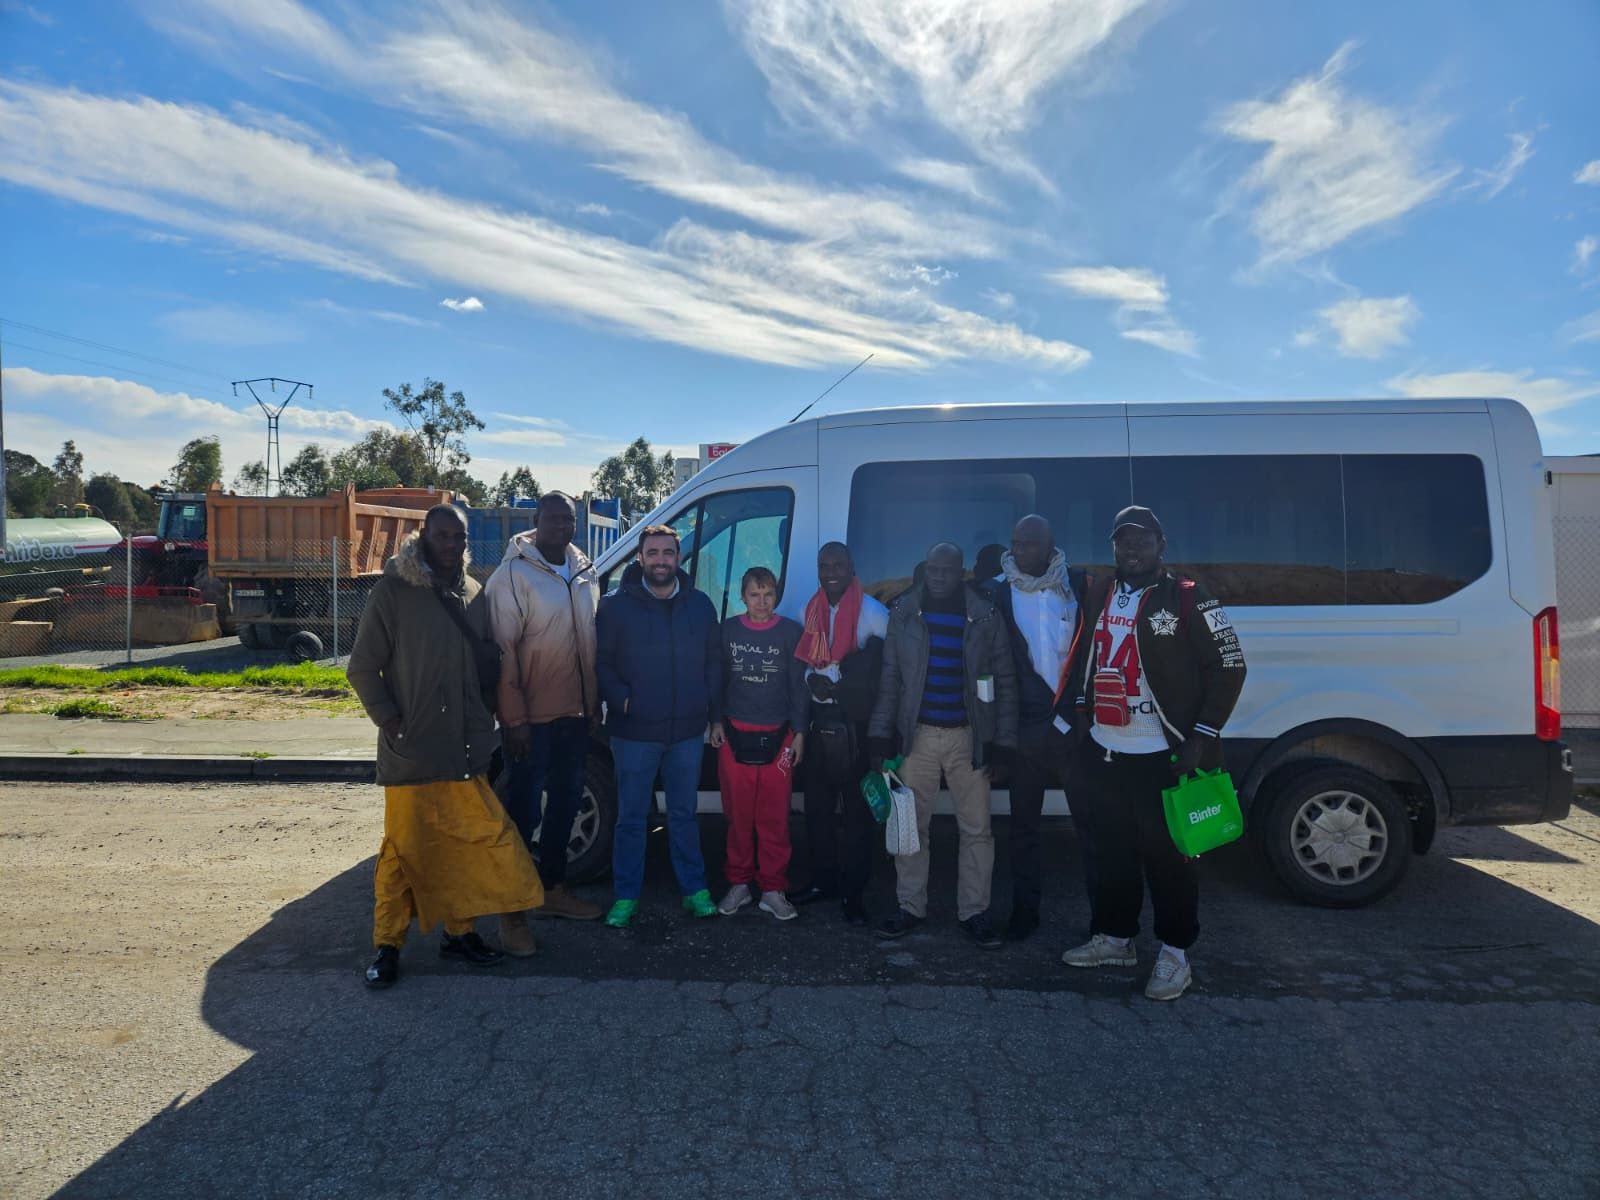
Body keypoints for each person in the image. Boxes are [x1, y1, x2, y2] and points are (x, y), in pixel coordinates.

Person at [347, 504, 544, 989]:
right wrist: (392, 722)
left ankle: (460, 934)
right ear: (424, 537)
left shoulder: (472, 594)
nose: (452, 545)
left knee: (471, 843)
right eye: (443, 536)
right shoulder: (394, 591)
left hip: (464, 752)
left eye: (459, 537)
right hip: (412, 752)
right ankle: (387, 945)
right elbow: (361, 669)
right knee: (402, 855)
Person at [1055, 506, 1247, 1001]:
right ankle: (1117, 938)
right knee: (1111, 856)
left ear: (1162, 545)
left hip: (1162, 754)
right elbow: (1084, 655)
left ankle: (1175, 954)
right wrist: (1081, 710)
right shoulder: (1098, 593)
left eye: (1142, 540)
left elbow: (1230, 665)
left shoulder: (1187, 598)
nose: (1131, 549)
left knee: (1170, 860)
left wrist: (1201, 737)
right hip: (1105, 751)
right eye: (1123, 541)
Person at [868, 541, 1018, 949]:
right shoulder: (905, 613)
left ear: (962, 572)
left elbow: (1004, 682)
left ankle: (974, 912)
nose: (938, 577)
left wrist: (1002, 744)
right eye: (932, 569)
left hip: (969, 737)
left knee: (977, 830)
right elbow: (890, 681)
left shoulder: (984, 615)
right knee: (909, 830)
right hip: (916, 736)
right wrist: (880, 735)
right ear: (925, 569)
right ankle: (910, 907)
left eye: (947, 570)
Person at [595, 524, 721, 928]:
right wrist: (624, 700)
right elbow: (601, 662)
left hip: (686, 732)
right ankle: (626, 895)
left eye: (668, 552)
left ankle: (695, 889)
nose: (661, 560)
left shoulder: (700, 606)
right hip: (633, 733)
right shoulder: (614, 607)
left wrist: (710, 708)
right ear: (640, 558)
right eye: (654, 553)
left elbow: (714, 663)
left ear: (679, 558)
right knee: (631, 818)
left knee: (684, 814)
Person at [485, 492, 603, 922]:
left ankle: (553, 888)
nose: (561, 526)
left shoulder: (584, 570)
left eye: (568, 519)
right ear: (536, 520)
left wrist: (593, 705)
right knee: (524, 807)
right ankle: (512, 898)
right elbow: (503, 651)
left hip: (574, 715)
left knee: (567, 802)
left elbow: (589, 642)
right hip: (529, 721)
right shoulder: (512, 575)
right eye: (552, 518)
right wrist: (512, 719)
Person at [981, 514, 1090, 941]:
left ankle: (1106, 923)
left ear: (1049, 547)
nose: (1018, 551)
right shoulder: (997, 592)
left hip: (1072, 735)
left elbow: (1088, 656)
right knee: (1023, 830)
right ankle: (1024, 914)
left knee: (1090, 829)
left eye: (1028, 545)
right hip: (1024, 735)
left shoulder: (1078, 588)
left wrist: (1075, 716)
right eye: (1014, 543)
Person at [787, 542, 889, 925]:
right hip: (818, 724)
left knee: (856, 815)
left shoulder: (873, 614)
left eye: (838, 564)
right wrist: (817, 682)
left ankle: (854, 893)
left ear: (851, 568)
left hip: (855, 728)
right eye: (824, 564)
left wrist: (842, 688)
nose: (830, 571)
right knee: (817, 812)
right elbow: (805, 664)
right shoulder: (806, 610)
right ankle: (822, 881)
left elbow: (882, 673)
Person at [709, 567, 811, 921]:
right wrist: (716, 721)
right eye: (755, 594)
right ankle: (739, 884)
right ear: (743, 596)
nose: (762, 602)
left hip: (778, 738)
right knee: (738, 816)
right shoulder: (728, 632)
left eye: (768, 595)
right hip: (734, 735)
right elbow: (716, 680)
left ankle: (772, 888)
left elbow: (799, 687)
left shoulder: (789, 633)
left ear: (776, 596)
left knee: (774, 818)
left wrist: (799, 732)